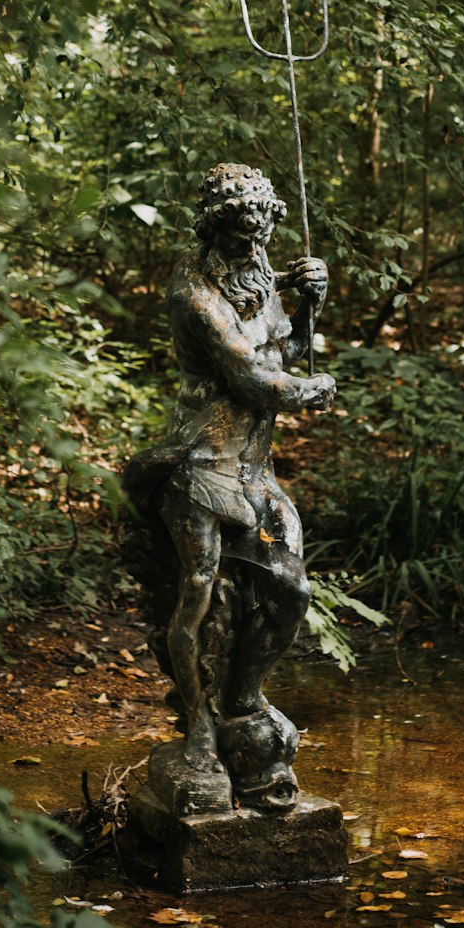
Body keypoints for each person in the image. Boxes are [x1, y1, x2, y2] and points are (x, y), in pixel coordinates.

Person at [124, 163, 334, 801]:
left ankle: (242, 701)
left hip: (254, 473)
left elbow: (283, 352)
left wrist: (307, 305)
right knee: (195, 595)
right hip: (200, 468)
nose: (255, 245)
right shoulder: (196, 293)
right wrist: (313, 391)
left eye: (262, 230)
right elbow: (252, 381)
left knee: (290, 589)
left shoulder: (259, 275)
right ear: (216, 229)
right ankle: (197, 728)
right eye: (240, 235)